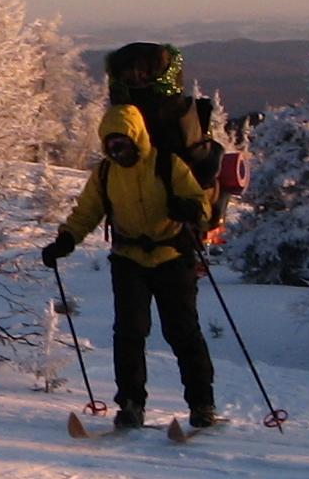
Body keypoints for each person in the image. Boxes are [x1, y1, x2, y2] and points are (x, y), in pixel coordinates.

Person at [42, 100, 219, 431]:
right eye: (111, 145)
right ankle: (131, 405)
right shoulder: (106, 173)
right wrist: (65, 240)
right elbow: (87, 211)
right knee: (129, 334)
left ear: (137, 138)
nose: (117, 150)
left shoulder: (168, 164)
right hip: (128, 260)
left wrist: (191, 211)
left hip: (172, 258)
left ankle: (202, 405)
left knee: (182, 333)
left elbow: (200, 204)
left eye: (122, 143)